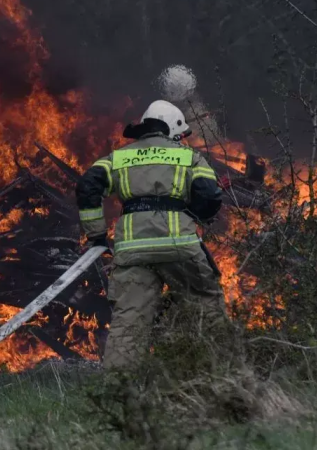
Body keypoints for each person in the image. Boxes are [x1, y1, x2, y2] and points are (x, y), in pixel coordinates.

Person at [76, 100, 228, 369]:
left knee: (129, 322)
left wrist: (97, 236)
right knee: (205, 308)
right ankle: (218, 376)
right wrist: (193, 217)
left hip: (133, 252)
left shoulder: (119, 157)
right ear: (171, 129)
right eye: (180, 135)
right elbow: (210, 194)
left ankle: (118, 392)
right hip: (179, 246)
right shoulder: (188, 157)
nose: (181, 140)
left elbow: (88, 186)